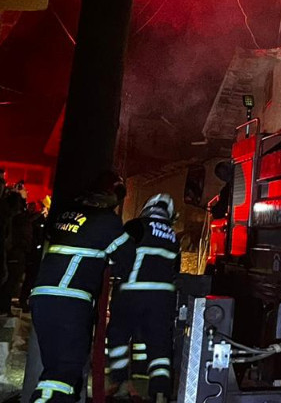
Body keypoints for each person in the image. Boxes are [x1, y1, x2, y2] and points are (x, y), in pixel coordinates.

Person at [29, 172, 133, 402]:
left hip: (42, 297)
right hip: (69, 300)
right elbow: (127, 259)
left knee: (55, 369)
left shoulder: (65, 213)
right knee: (65, 372)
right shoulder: (106, 221)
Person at [105, 193, 181, 403]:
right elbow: (175, 270)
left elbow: (119, 254)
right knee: (159, 345)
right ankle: (160, 391)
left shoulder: (136, 226)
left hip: (132, 292)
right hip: (163, 298)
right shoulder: (173, 236)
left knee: (118, 335)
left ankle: (120, 381)